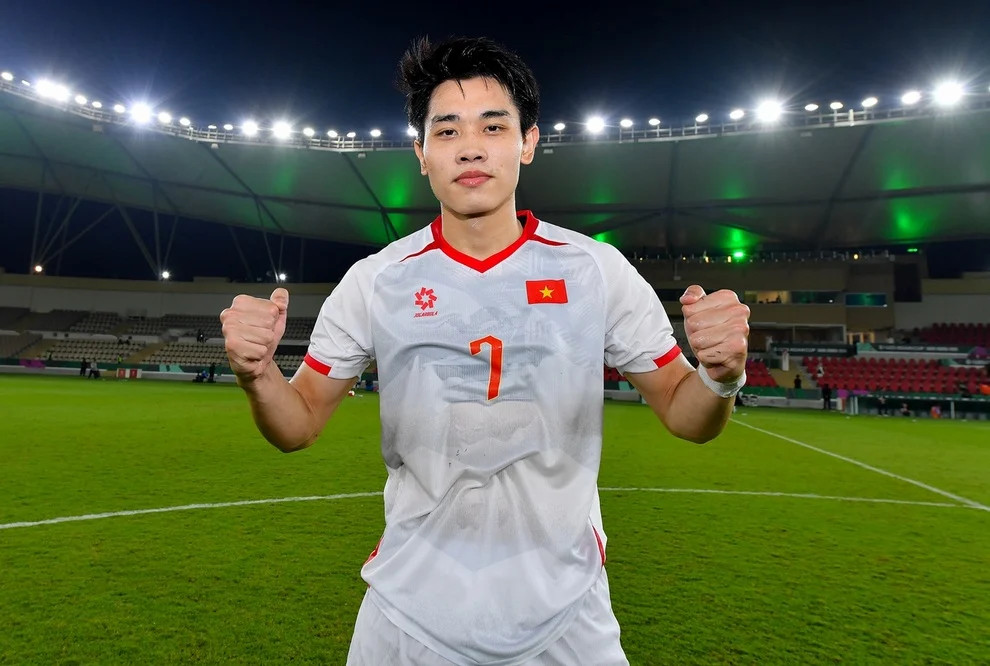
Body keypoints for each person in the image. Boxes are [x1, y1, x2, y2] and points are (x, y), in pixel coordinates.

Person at [220, 36, 751, 666]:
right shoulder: (377, 279)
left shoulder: (594, 269)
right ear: (421, 154)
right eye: (447, 131)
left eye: (493, 126)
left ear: (528, 141)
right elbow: (298, 423)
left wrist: (720, 375)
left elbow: (686, 413)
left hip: (567, 616)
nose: (470, 147)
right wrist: (258, 374)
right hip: (408, 618)